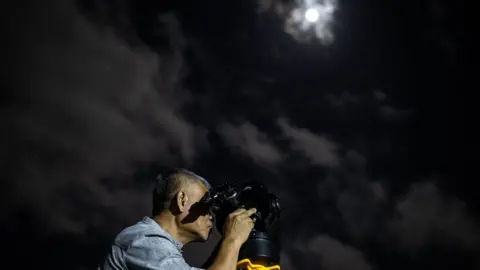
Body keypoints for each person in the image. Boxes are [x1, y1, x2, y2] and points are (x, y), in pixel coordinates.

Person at [101, 168, 257, 270]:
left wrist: (227, 243)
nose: (211, 216)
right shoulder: (143, 240)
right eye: (206, 205)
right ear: (181, 200)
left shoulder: (155, 247)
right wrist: (233, 240)